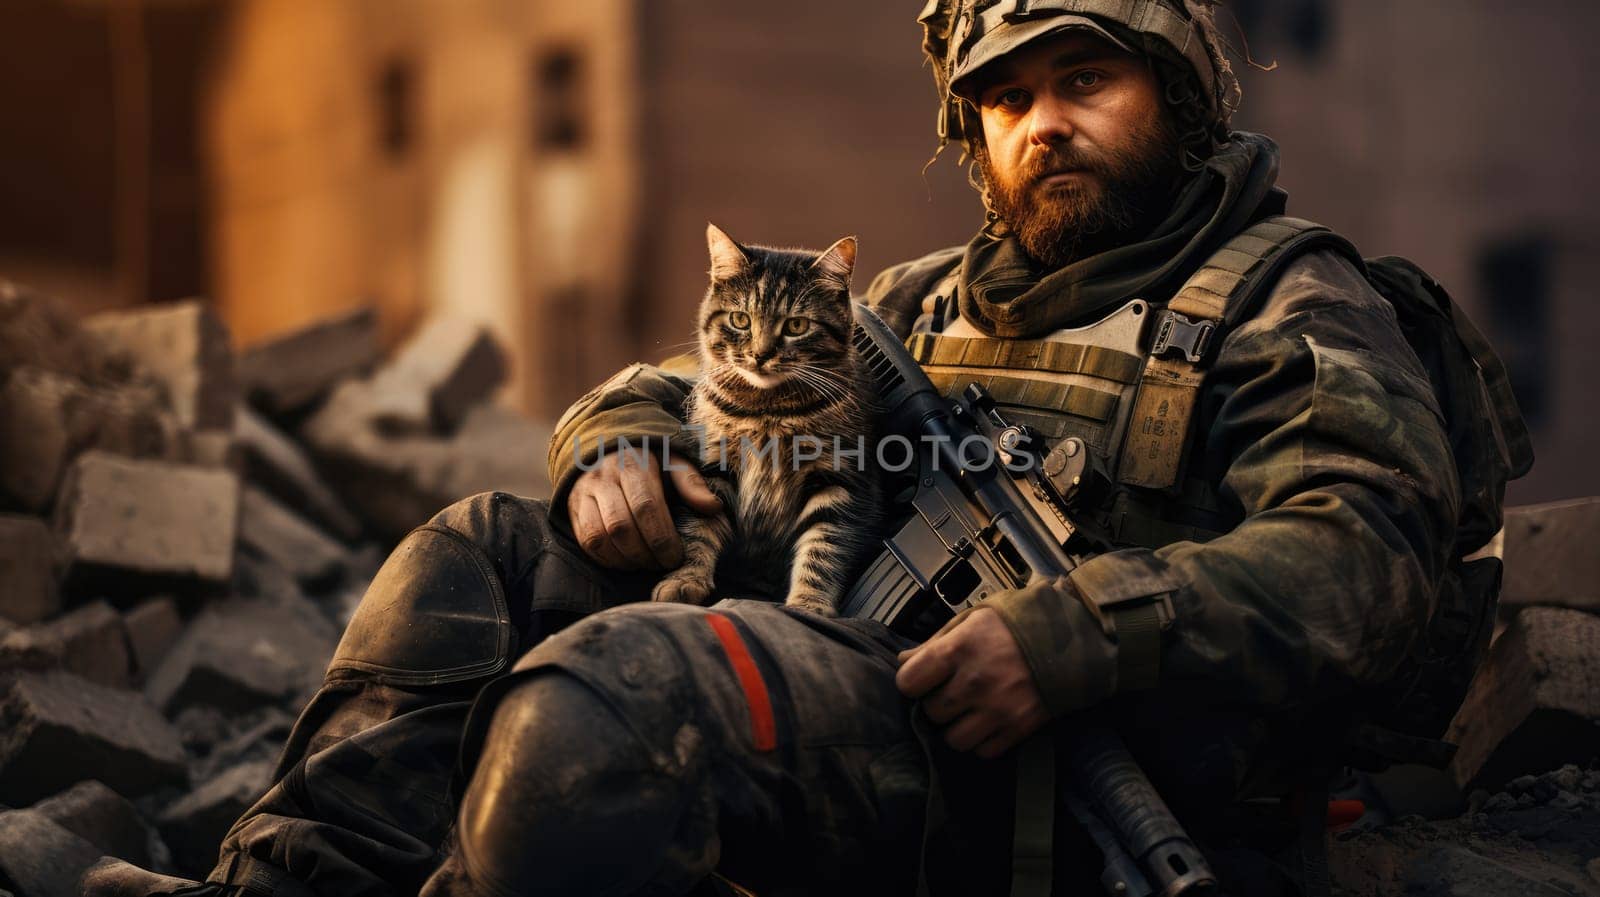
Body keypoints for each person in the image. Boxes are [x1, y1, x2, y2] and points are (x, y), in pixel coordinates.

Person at [86, 1, 1486, 895]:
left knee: (621, 692)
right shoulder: (923, 305)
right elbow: (683, 377)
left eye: (1085, 80)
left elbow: (1366, 553)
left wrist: (1083, 631)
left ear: (1177, 91)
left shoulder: (1286, 295)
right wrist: (615, 446)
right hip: (864, 667)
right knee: (480, 556)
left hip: (1061, 772)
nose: (1044, 126)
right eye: (1006, 102)